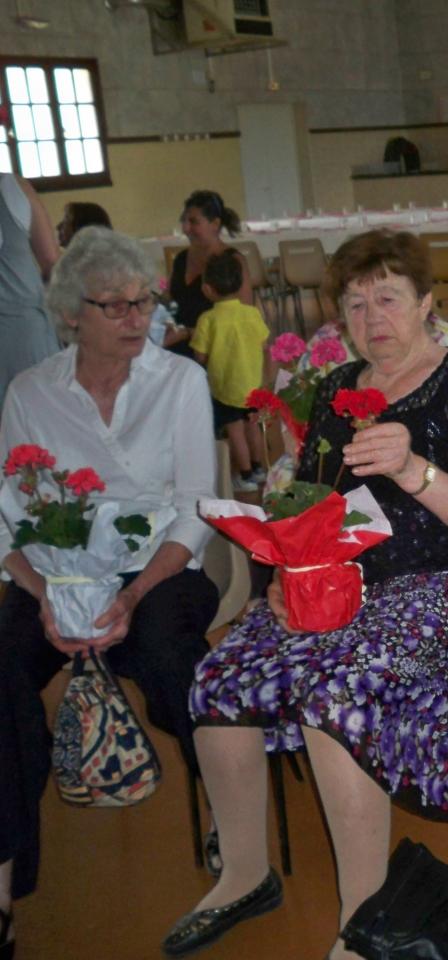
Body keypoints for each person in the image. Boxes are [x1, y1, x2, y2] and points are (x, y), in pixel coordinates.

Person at [163, 230, 448, 960]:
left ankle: (363, 924)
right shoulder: (335, 390)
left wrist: (415, 467)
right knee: (221, 675)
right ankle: (243, 872)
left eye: (387, 297)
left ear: (425, 303)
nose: (371, 315)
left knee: (337, 696)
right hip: (339, 587)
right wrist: (280, 584)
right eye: (354, 302)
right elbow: (307, 506)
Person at [0, 227, 219, 957]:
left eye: (144, 301)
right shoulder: (31, 393)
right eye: (115, 305)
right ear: (70, 314)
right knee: (1, 672)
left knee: (168, 649)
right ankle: (4, 877)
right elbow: (11, 515)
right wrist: (43, 597)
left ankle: (226, 808)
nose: (136, 317)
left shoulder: (180, 380)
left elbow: (195, 505)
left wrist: (128, 596)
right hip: (55, 572)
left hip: (158, 565)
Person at [190, 250, 270, 492]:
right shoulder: (252, 313)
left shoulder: (208, 319)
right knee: (253, 426)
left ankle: (244, 476)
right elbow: (264, 344)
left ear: (207, 289)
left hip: (226, 388)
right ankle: (258, 469)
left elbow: (200, 356)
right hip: (253, 384)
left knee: (235, 431)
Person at [166, 190, 252, 358]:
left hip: (215, 352)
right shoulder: (182, 259)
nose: (185, 228)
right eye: (184, 221)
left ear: (215, 224)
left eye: (193, 222)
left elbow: (244, 319)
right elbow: (170, 299)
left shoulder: (232, 261)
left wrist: (188, 333)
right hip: (176, 348)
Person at [0, 173, 60, 409]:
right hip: (26, 327)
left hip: (21, 326)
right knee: (39, 415)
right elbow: (52, 262)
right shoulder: (15, 186)